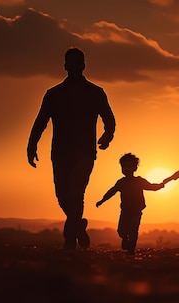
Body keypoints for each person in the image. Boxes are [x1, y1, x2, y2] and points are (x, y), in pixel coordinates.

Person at [27, 47, 116, 250]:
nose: (75, 66)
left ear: (84, 65)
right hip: (60, 152)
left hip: (85, 152)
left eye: (79, 63)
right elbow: (41, 121)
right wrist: (31, 146)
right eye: (71, 63)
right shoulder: (53, 94)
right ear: (65, 66)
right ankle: (78, 227)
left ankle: (69, 241)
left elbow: (109, 118)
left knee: (76, 193)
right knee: (62, 196)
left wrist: (107, 135)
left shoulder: (96, 92)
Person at [96, 153, 164, 255]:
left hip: (137, 210)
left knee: (133, 229)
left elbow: (151, 187)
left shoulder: (139, 181)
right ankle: (125, 238)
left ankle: (131, 249)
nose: (127, 169)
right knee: (121, 231)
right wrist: (102, 200)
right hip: (125, 211)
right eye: (124, 167)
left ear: (135, 168)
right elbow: (111, 192)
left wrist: (160, 185)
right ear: (121, 168)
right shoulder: (121, 182)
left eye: (129, 166)